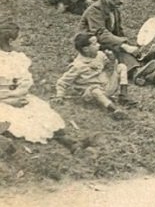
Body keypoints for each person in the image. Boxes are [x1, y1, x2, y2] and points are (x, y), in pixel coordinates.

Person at [1, 21, 90, 149]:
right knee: (15, 119)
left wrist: (20, 94)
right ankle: (7, 144)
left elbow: (25, 81)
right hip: (3, 100)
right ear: (9, 39)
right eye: (17, 39)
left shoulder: (16, 57)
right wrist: (10, 100)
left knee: (41, 112)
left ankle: (70, 143)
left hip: (19, 97)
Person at [78, 0, 149, 103]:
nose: (122, 1)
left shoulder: (114, 10)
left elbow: (118, 32)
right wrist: (124, 46)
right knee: (120, 51)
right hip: (90, 47)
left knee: (123, 50)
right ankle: (140, 72)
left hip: (107, 44)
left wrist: (128, 45)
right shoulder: (95, 10)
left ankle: (148, 73)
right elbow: (100, 34)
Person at [54, 32, 129, 120]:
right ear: (86, 49)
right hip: (91, 94)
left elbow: (109, 67)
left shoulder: (100, 55)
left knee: (121, 67)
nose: (98, 45)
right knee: (95, 90)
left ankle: (123, 96)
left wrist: (112, 58)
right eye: (95, 44)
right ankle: (113, 109)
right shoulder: (78, 65)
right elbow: (62, 82)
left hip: (106, 87)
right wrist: (60, 95)